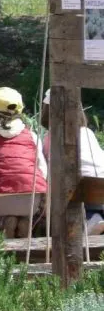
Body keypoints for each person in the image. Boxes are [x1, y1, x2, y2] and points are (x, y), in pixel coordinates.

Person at [0, 87, 47, 239]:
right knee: (27, 211)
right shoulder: (31, 136)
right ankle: (25, 221)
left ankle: (2, 222)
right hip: (30, 201)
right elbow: (43, 170)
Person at [41, 89, 104, 235]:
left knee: (65, 187)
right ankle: (95, 217)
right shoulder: (88, 133)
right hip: (100, 182)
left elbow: (47, 169)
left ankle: (88, 220)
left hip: (80, 188)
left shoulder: (52, 137)